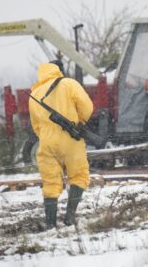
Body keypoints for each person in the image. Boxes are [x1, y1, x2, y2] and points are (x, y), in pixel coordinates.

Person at [29, 60, 94, 229]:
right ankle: (70, 217)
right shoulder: (69, 84)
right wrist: (80, 122)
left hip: (46, 143)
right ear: (59, 70)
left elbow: (35, 125)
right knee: (79, 176)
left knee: (50, 182)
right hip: (70, 139)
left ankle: (50, 224)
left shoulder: (35, 93)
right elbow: (87, 107)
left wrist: (46, 136)